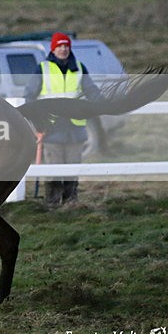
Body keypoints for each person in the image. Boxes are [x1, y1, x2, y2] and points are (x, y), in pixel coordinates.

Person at [24, 32, 101, 205]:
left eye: (66, 45)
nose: (63, 49)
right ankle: (52, 203)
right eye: (59, 46)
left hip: (75, 130)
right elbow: (29, 95)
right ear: (53, 48)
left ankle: (70, 203)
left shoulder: (80, 68)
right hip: (52, 129)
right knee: (54, 170)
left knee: (73, 169)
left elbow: (92, 91)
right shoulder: (43, 69)